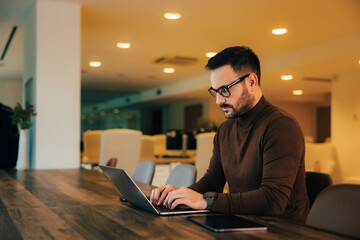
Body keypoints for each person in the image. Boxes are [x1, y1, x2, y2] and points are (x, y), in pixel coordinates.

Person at [150, 46, 309, 223]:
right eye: (216, 91)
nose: (219, 100)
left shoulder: (280, 125)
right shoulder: (225, 130)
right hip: (242, 222)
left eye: (225, 89)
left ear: (251, 82)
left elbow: (272, 201)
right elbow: (212, 182)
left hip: (281, 230)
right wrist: (179, 194)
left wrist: (205, 201)